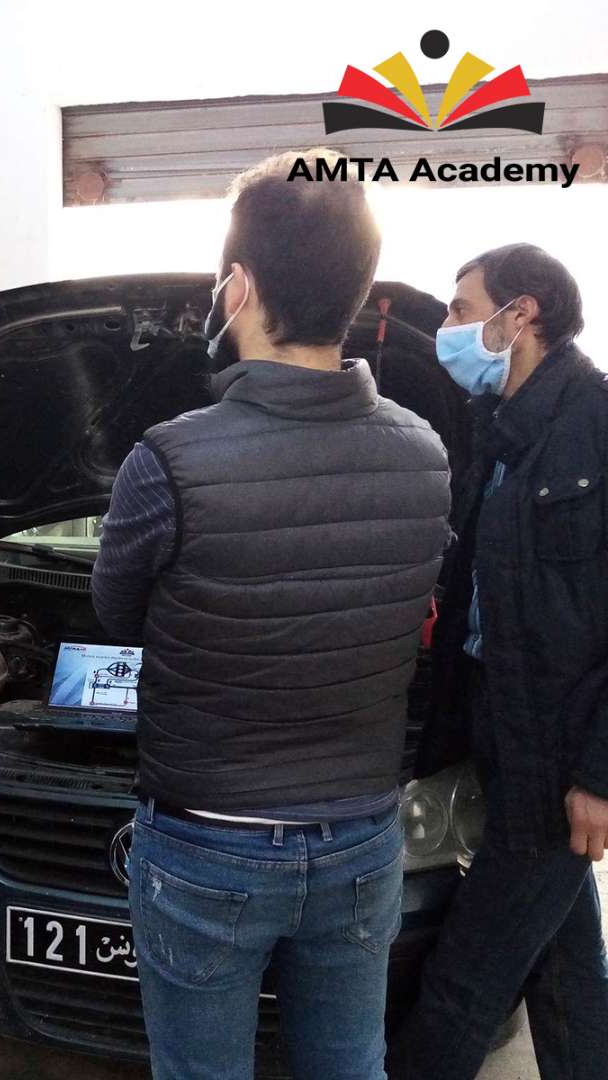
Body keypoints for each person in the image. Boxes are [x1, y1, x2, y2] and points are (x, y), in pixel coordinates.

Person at [91, 149, 452, 1080]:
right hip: (363, 840)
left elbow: (116, 611)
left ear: (239, 287)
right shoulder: (425, 453)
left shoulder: (168, 460)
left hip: (207, 845)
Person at [389, 244, 608, 1080]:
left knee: (463, 982)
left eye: (460, 309)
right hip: (499, 732)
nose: (446, 327)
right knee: (565, 969)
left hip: (556, 757)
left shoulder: (598, 424)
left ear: (521, 315)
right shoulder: (501, 431)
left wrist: (599, 773)